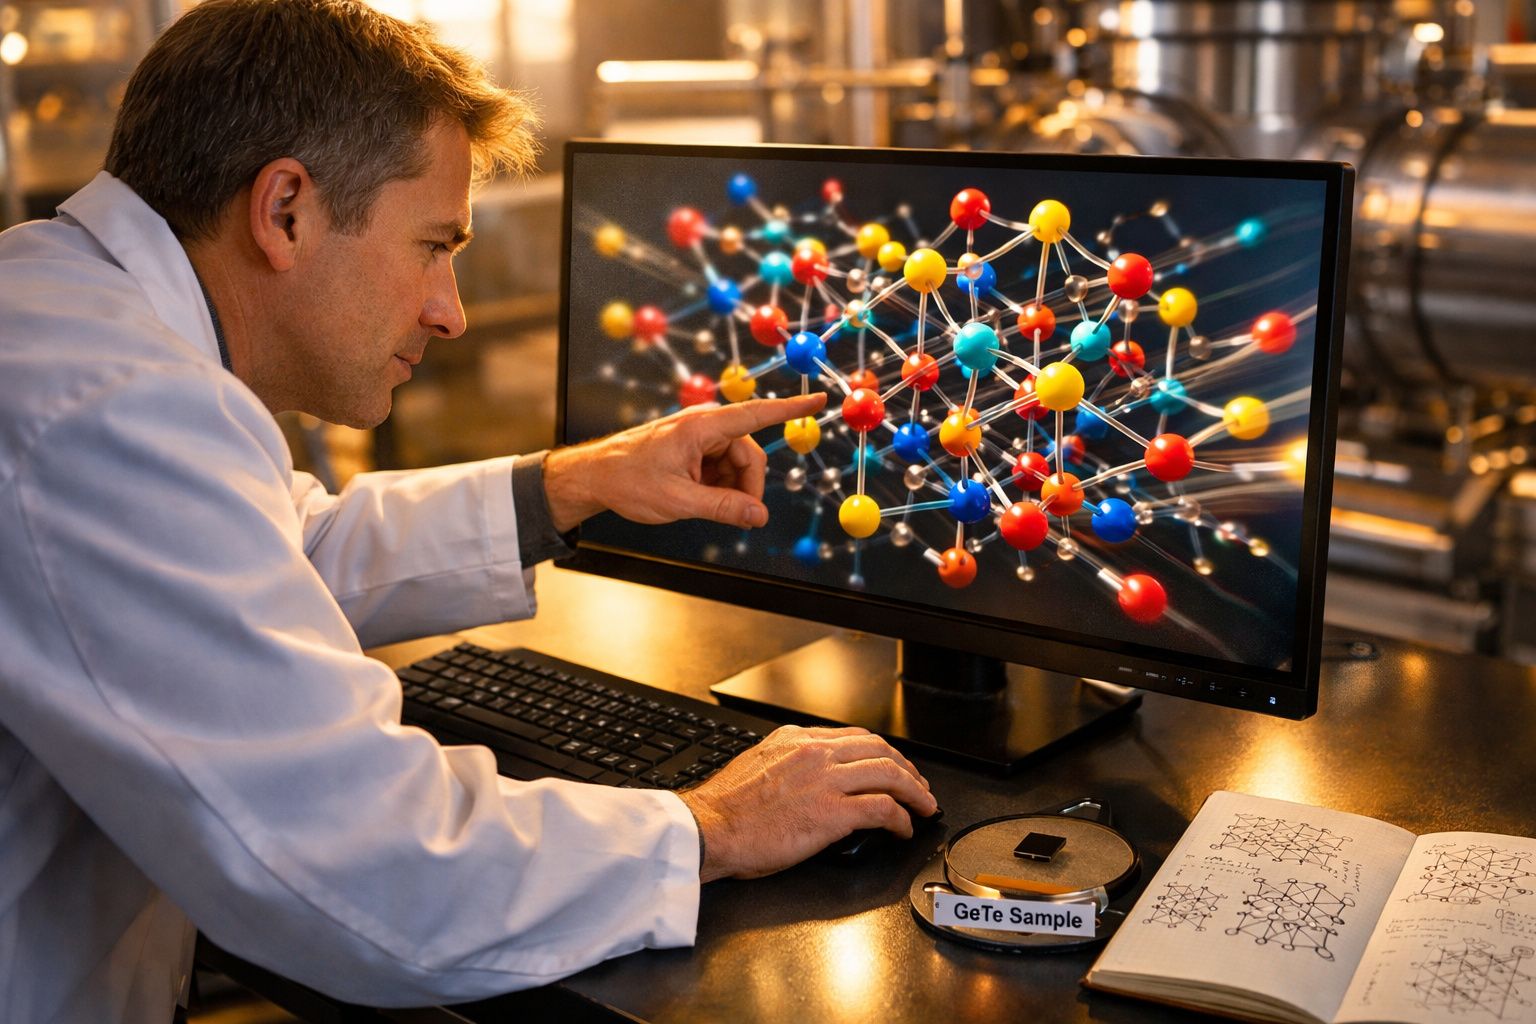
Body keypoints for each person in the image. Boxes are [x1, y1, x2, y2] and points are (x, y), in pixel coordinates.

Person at [0, 0, 936, 1019]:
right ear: (286, 211)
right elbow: (370, 868)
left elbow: (276, 551)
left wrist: (571, 483)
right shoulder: (110, 408)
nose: (448, 310)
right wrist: (712, 825)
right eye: (432, 245)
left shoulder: (60, 311)